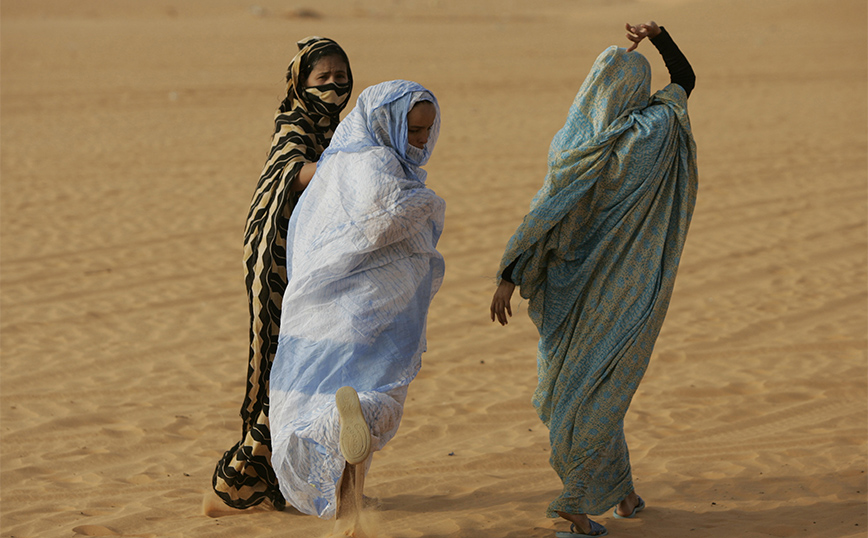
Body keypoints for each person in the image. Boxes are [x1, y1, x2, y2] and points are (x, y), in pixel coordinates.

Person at [489, 22, 697, 538]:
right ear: (638, 91)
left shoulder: (576, 147)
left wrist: (510, 275)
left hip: (570, 291)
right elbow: (686, 79)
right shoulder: (656, 128)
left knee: (589, 389)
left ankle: (616, 494)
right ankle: (574, 506)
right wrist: (659, 35)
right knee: (603, 387)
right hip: (629, 290)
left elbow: (545, 213)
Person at [268, 80, 444, 520]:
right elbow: (380, 221)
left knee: (322, 394)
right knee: (378, 391)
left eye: (427, 130)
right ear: (387, 122)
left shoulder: (336, 163)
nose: (422, 140)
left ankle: (350, 500)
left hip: (322, 310)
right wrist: (427, 203)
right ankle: (357, 428)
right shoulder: (374, 160)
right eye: (414, 129)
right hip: (364, 309)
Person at [208, 36, 353, 515]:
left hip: (313, 257)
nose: (333, 87)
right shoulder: (293, 121)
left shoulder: (339, 130)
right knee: (283, 364)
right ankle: (236, 481)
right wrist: (351, 168)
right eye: (322, 79)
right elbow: (291, 171)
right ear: (300, 83)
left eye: (340, 77)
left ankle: (283, 483)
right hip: (276, 258)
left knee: (309, 365)